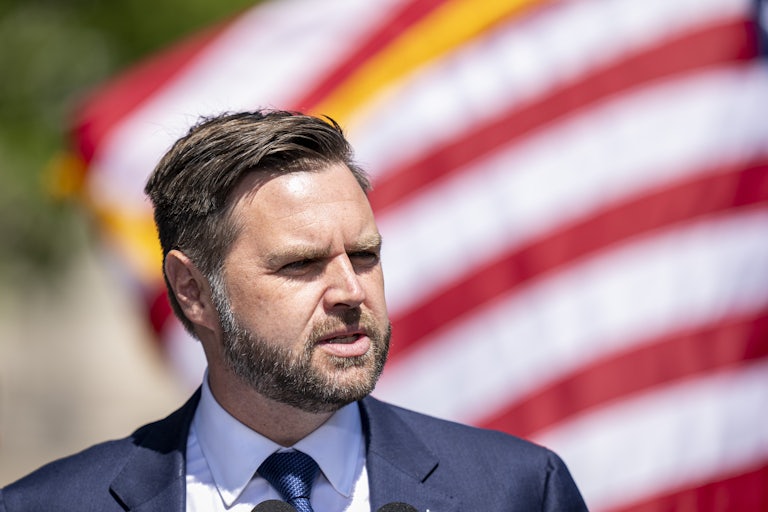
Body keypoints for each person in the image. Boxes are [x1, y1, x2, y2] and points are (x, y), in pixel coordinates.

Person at [0, 110, 588, 511]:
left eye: (364, 255)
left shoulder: (518, 491)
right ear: (192, 291)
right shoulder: (45, 505)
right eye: (302, 263)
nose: (350, 291)